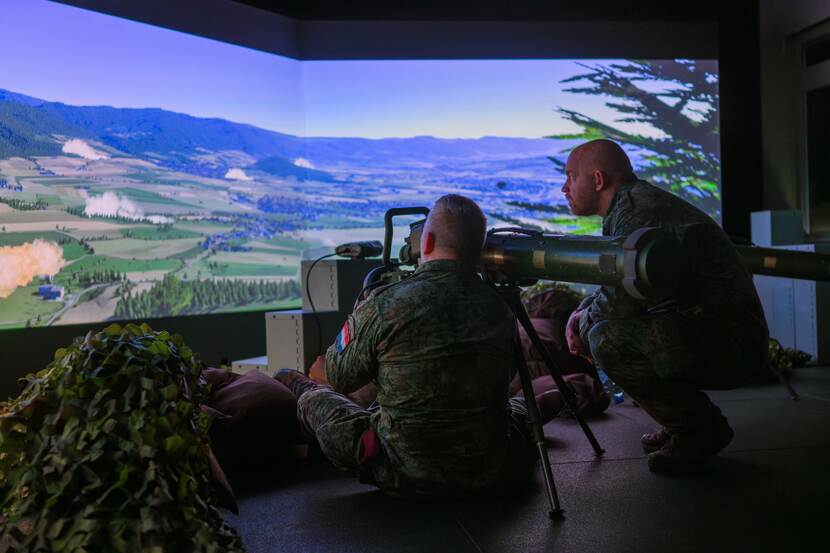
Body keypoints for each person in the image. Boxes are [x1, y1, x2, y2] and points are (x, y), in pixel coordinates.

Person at [276, 194, 560, 498]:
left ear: (426, 244)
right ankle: (548, 404)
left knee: (311, 398)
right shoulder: (500, 306)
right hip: (490, 466)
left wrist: (322, 376)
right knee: (515, 411)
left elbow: (336, 377)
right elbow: (504, 375)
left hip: (404, 471)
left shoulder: (386, 302)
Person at [561, 139, 769, 474]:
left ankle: (697, 430)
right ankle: (683, 423)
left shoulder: (638, 214)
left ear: (598, 180)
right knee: (601, 328)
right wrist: (582, 315)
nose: (564, 188)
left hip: (733, 343)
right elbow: (617, 289)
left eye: (571, 177)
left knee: (606, 338)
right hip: (715, 332)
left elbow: (619, 306)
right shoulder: (631, 208)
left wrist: (580, 326)